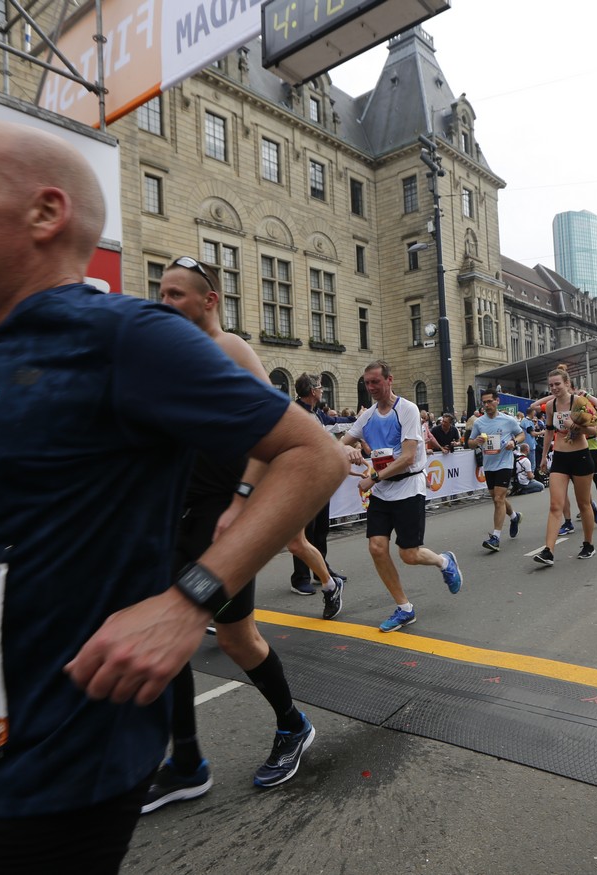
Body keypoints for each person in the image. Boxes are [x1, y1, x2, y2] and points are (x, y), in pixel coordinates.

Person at [0, 118, 345, 873]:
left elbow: (313, 453)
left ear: (45, 213)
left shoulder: (126, 336)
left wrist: (189, 599)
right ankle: (189, 758)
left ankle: (250, 735)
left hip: (64, 753)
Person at [144, 265, 342, 814]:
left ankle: (293, 725)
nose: (163, 301)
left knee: (236, 640)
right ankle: (186, 762)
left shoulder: (228, 348)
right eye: (159, 292)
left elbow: (275, 429)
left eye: (175, 293)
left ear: (209, 300)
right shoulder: (170, 357)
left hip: (218, 515)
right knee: (167, 636)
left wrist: (239, 502)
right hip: (178, 515)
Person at [340, 360, 463, 632]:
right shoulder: (368, 416)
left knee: (408, 554)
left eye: (375, 382)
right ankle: (405, 608)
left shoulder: (407, 410)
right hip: (382, 492)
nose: (371, 387)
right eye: (367, 383)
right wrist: (347, 450)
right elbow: (341, 443)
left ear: (389, 380)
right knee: (376, 548)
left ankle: (444, 561)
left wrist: (372, 478)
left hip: (409, 487)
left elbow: (407, 457)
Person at [531, 368, 597, 565]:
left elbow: (593, 429)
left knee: (584, 504)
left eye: (557, 384)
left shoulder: (579, 402)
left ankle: (588, 544)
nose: (554, 388)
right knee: (555, 505)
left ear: (566, 383)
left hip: (581, 456)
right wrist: (544, 456)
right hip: (560, 458)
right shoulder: (551, 406)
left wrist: (575, 426)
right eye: (551, 385)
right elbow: (549, 431)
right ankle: (548, 551)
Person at [290, 372, 346, 596]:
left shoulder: (316, 413)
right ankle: (300, 577)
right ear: (313, 391)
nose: (322, 391)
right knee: (304, 532)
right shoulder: (294, 413)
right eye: (321, 387)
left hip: (320, 480)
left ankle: (320, 570)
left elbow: (334, 426)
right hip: (303, 482)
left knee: (321, 529)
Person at [466, 389, 526, 551]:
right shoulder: (479, 422)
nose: (487, 405)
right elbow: (470, 442)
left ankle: (495, 537)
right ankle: (514, 516)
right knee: (497, 498)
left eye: (489, 401)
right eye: (484, 402)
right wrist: (476, 441)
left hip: (505, 463)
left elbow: (521, 435)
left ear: (497, 401)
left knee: (499, 498)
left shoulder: (508, 420)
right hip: (489, 465)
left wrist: (514, 442)